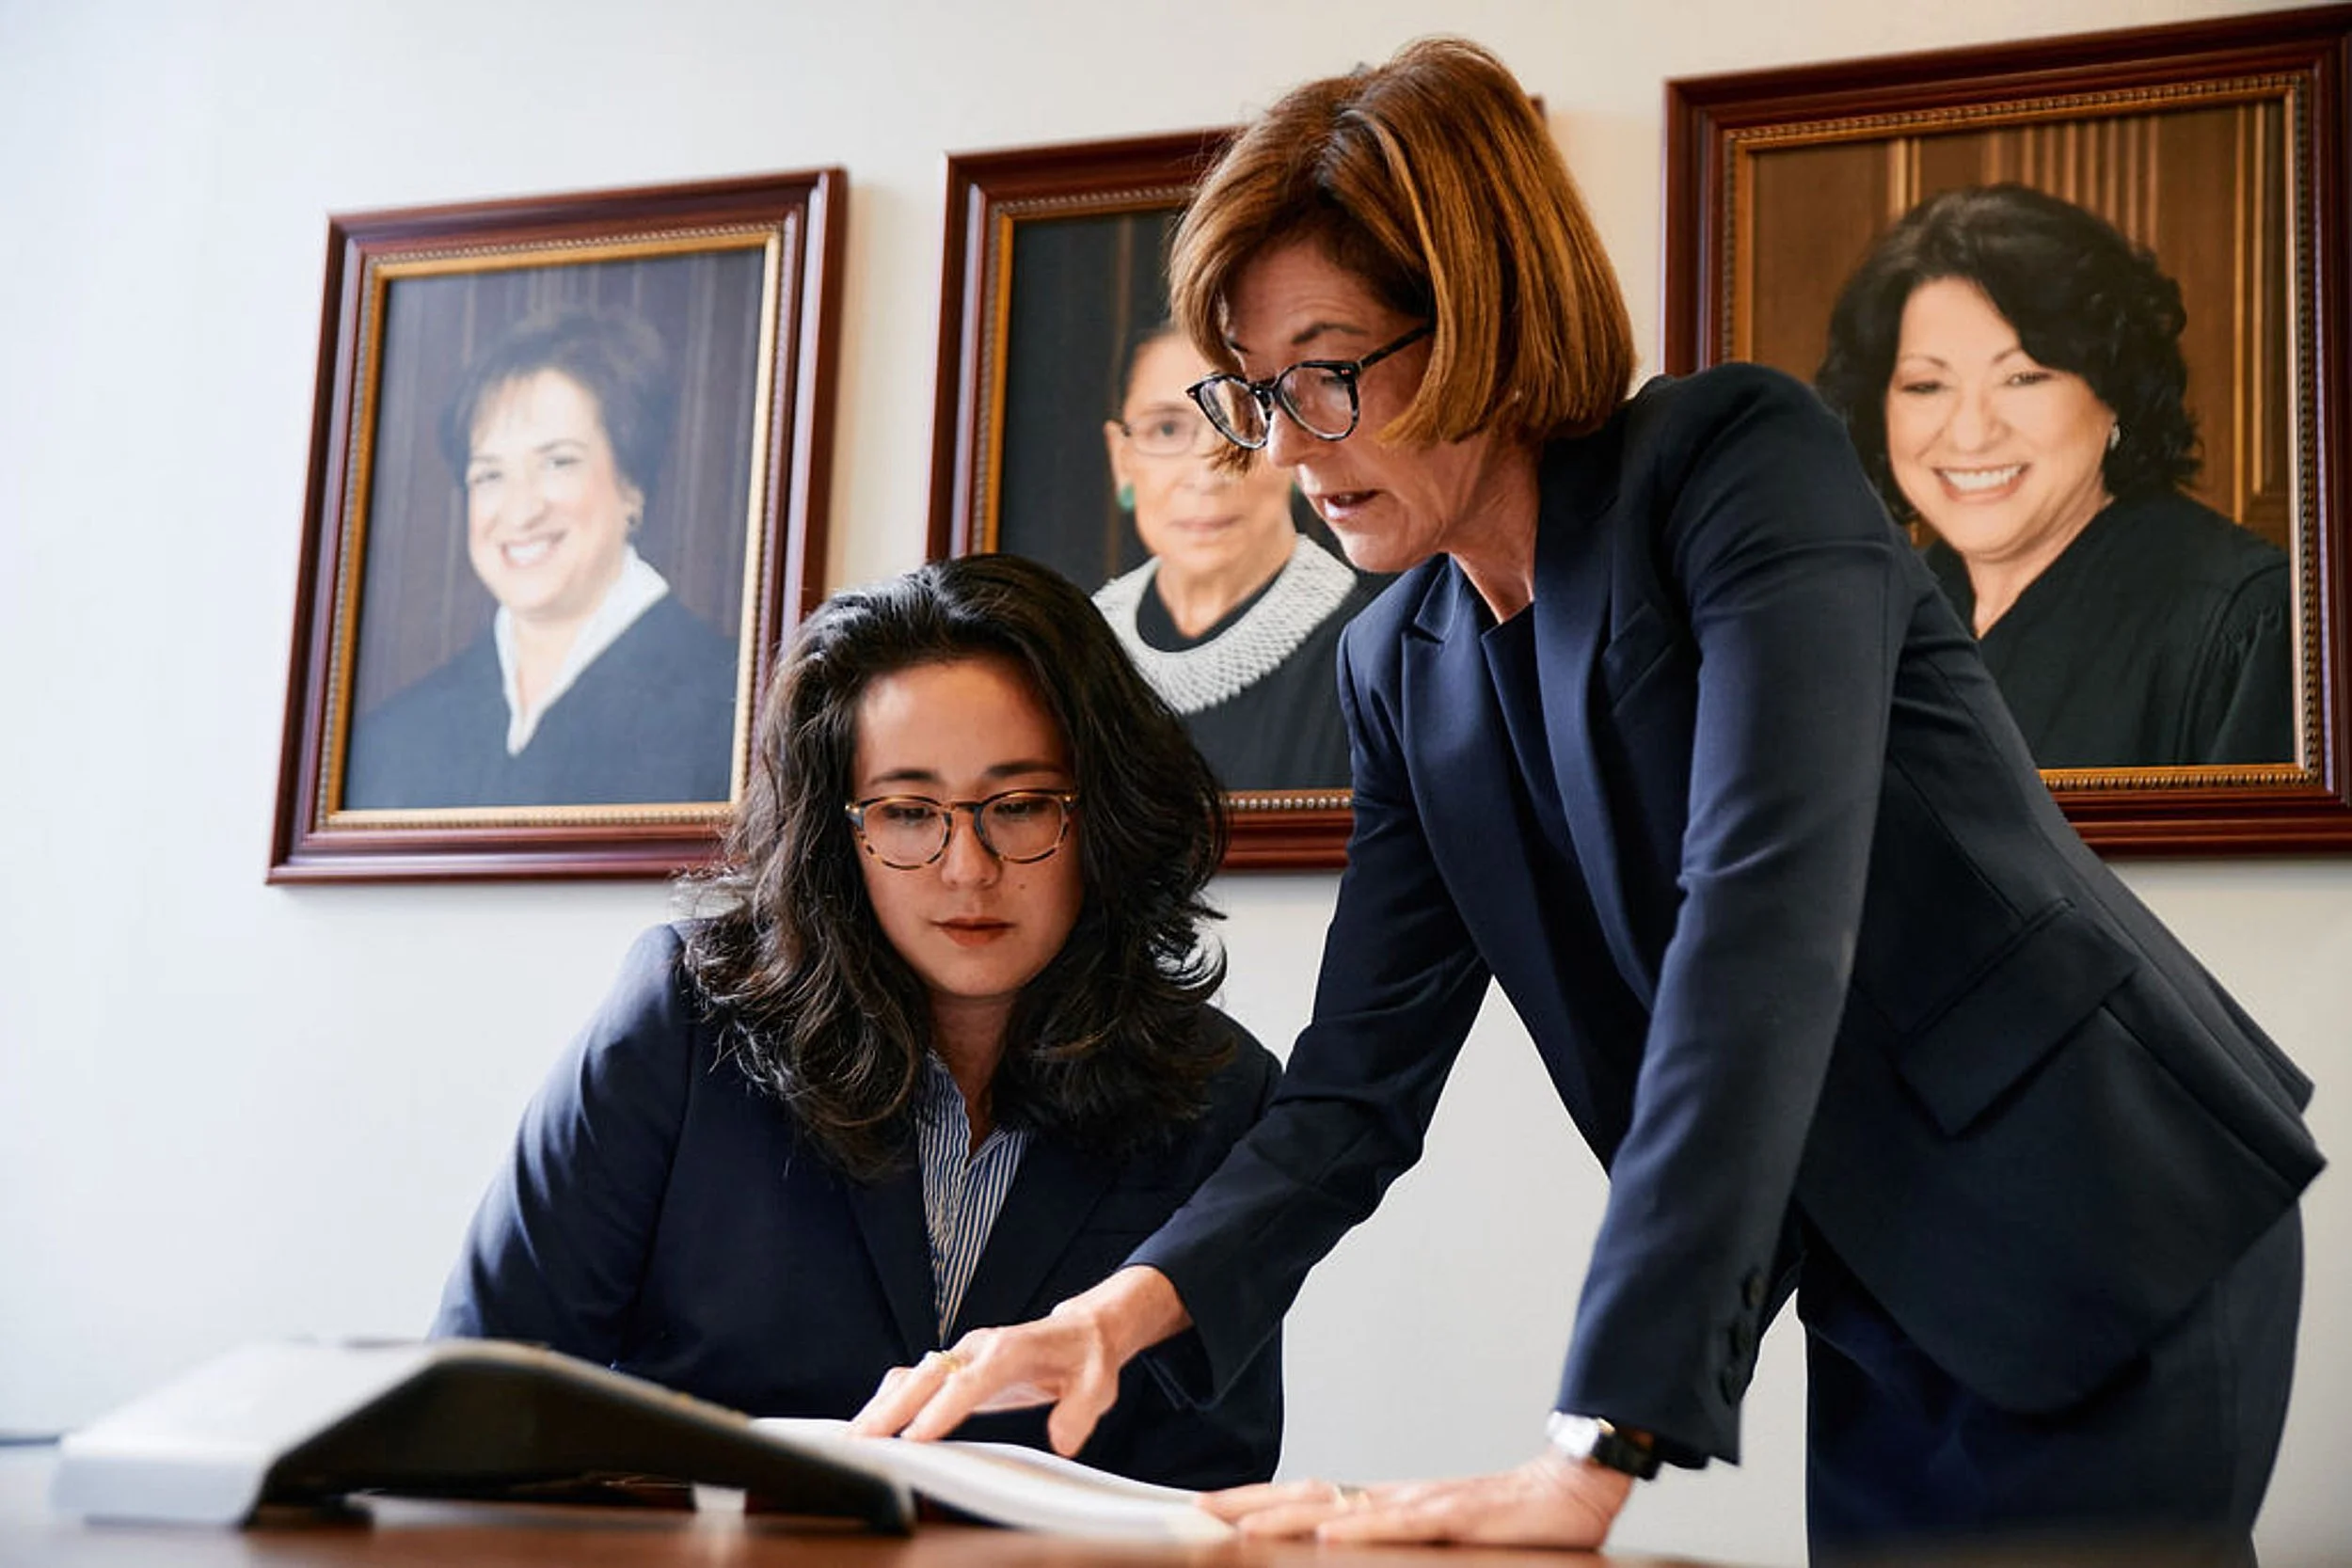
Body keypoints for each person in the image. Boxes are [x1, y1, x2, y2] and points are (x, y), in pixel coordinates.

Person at [850, 38, 2322, 1564]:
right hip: (1888, 1262)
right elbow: (1356, 1084)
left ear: (1483, 316)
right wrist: (1119, 1313)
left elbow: (1763, 920)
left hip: (2102, 1198)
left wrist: (1591, 1452)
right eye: (1254, 394)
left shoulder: (1739, 468)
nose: (1285, 450)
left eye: (1330, 376)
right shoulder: (1400, 664)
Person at [432, 554, 1283, 1489]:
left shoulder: (1218, 1092)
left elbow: (1210, 1484)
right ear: (839, 833)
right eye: (909, 810)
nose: (967, 866)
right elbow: (478, 1392)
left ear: (1105, 813)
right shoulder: (682, 1019)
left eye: (1022, 804)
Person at [1816, 183, 2294, 769]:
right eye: (1925, 385)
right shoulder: (1865, 620)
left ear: (2114, 390)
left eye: (2023, 378)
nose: (1969, 433)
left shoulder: (2246, 624)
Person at [342, 304, 739, 809]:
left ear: (632, 484)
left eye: (558, 462)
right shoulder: (394, 740)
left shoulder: (730, 707)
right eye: (489, 474)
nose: (522, 509)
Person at [1094, 323, 1381, 789]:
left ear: (1293, 438)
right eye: (1167, 429)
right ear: (1121, 457)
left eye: (1243, 422)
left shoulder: (1371, 658)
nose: (1208, 474)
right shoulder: (1073, 650)